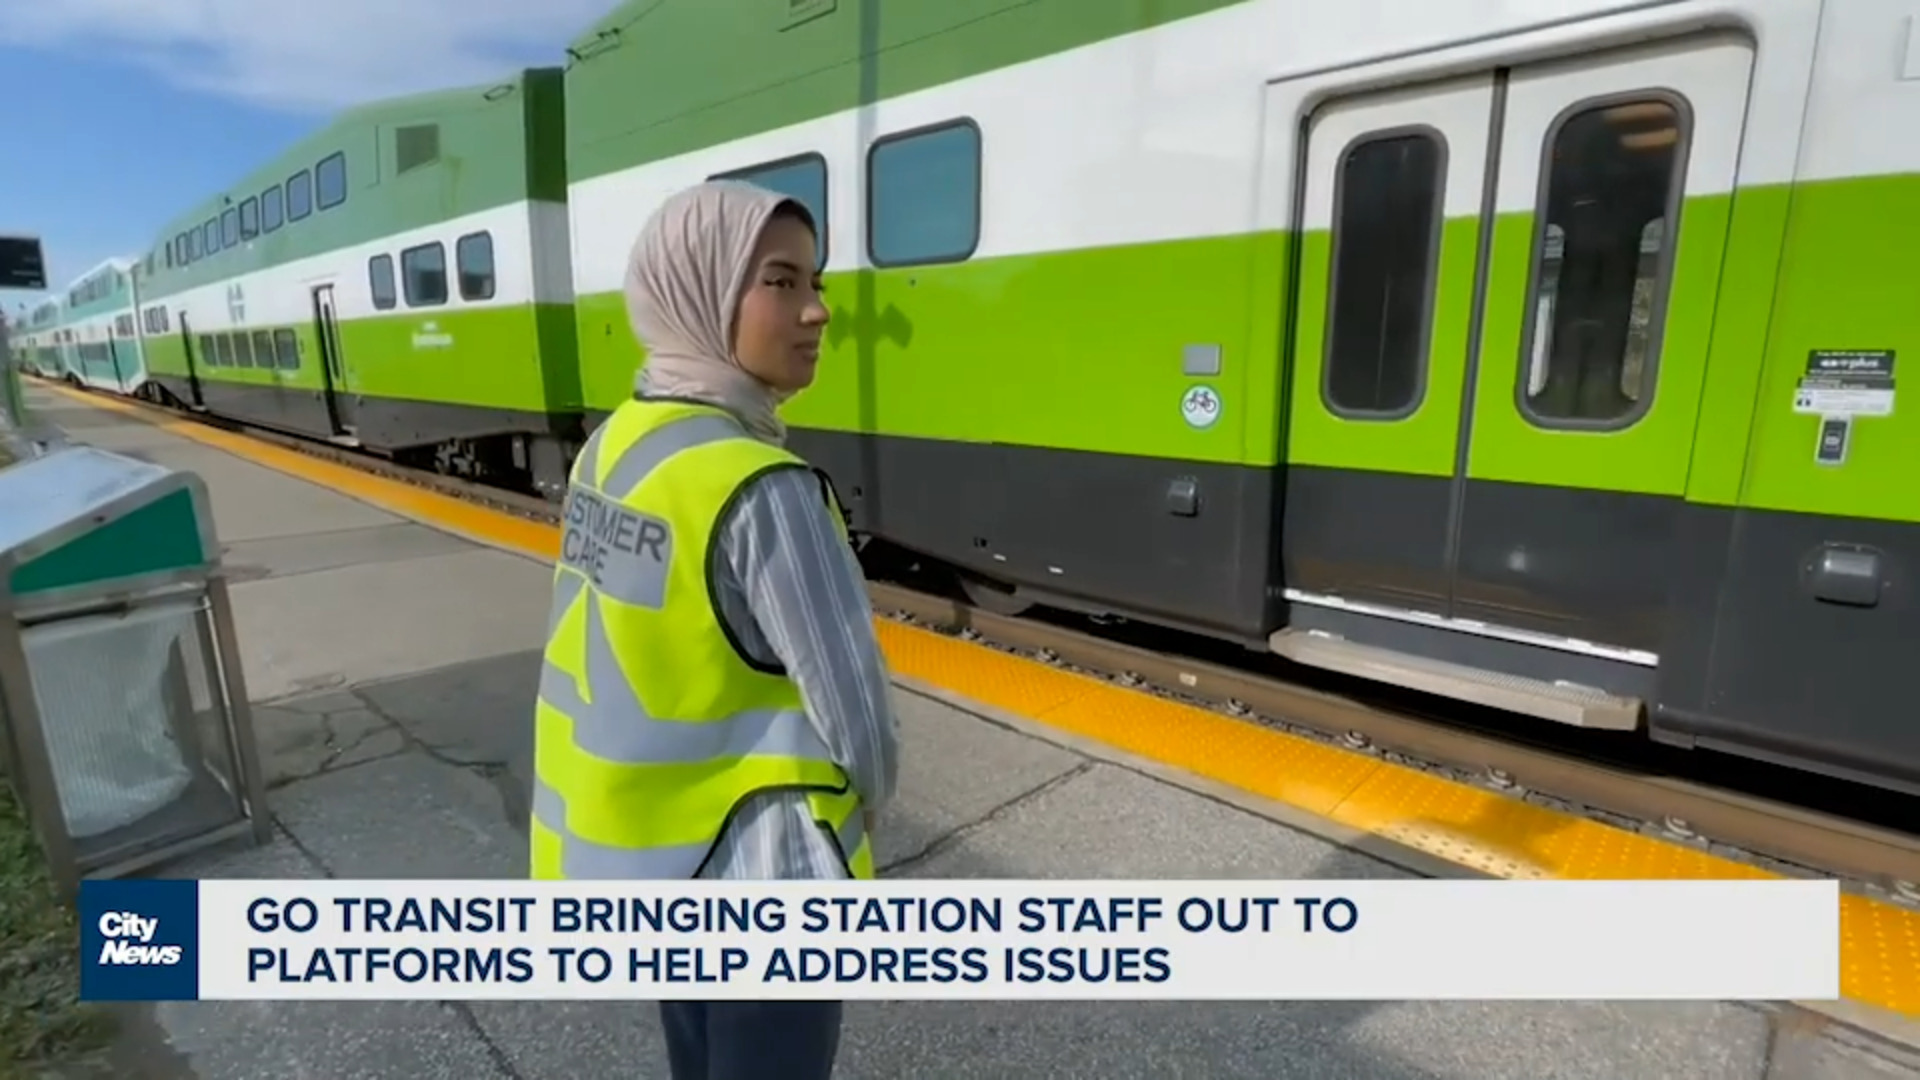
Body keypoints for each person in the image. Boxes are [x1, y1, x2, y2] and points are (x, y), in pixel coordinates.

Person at [528, 180, 901, 1080]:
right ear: (700, 289)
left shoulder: (616, 443)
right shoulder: (764, 488)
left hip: (656, 864)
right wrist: (869, 806)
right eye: (779, 282)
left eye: (815, 282)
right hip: (761, 878)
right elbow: (858, 721)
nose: (817, 311)